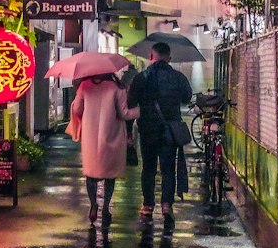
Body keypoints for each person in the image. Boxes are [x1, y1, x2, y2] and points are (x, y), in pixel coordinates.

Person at [126, 42, 193, 227]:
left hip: (147, 130)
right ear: (169, 58)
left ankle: (148, 205)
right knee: (168, 169)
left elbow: (131, 104)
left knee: (148, 168)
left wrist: (128, 132)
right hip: (169, 131)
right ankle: (166, 205)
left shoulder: (141, 78)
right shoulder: (178, 77)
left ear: (151, 56)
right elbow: (188, 97)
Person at [69, 73, 139, 229]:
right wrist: (138, 111)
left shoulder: (84, 86)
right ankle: (106, 206)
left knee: (91, 174)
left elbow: (77, 109)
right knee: (110, 174)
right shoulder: (116, 88)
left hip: (90, 137)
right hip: (111, 136)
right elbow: (124, 114)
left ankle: (93, 204)